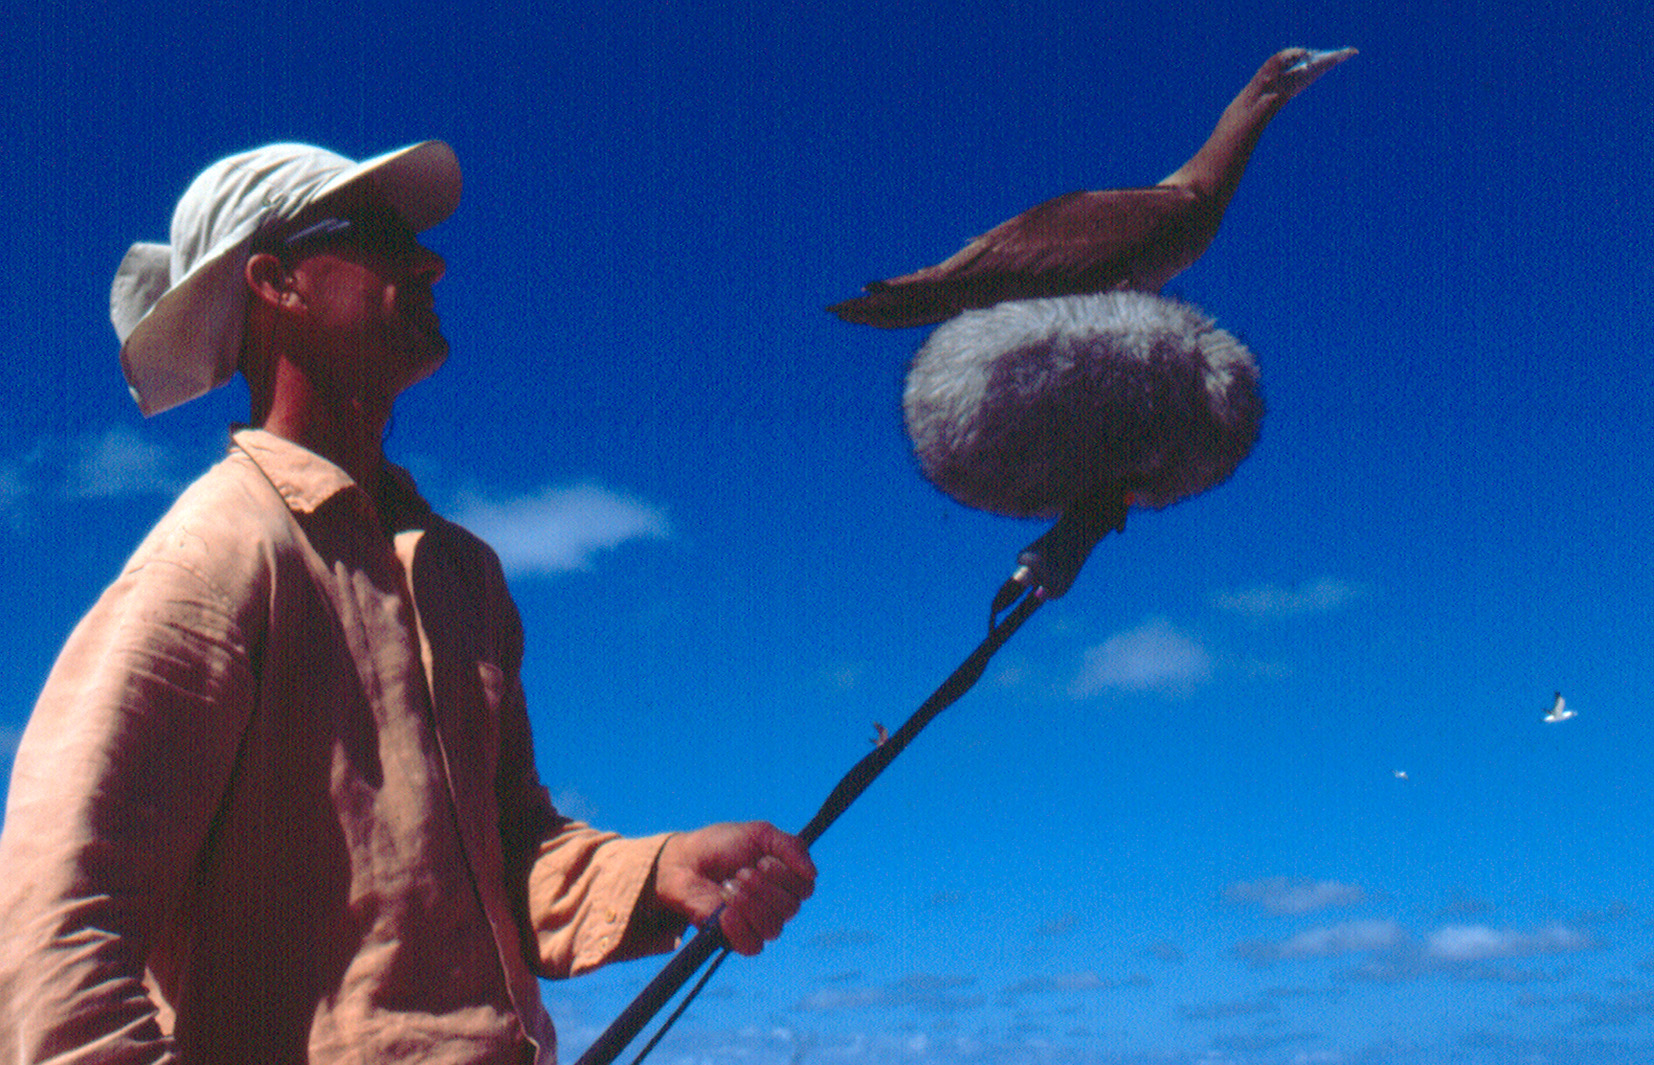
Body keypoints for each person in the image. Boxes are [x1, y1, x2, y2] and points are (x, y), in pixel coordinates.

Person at [0, 141, 816, 1064]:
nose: (429, 261)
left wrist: (660, 870)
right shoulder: (215, 555)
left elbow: (510, 854)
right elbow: (53, 934)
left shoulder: (464, 574)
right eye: (382, 234)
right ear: (277, 283)